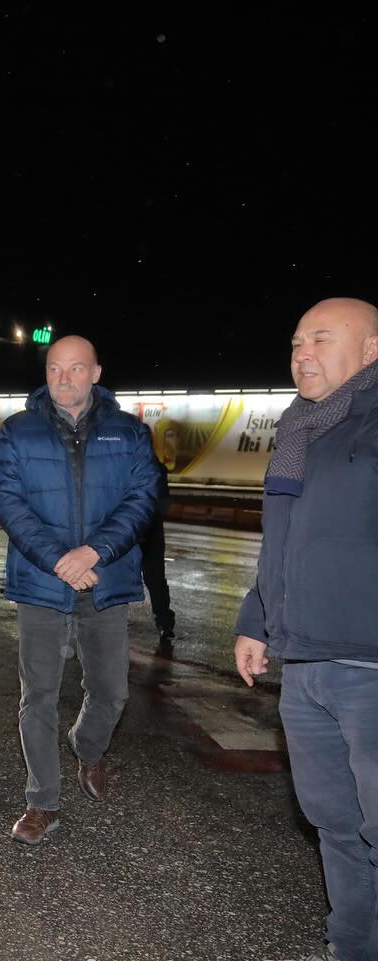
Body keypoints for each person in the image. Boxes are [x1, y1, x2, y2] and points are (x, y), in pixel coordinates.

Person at [235, 298, 378, 961]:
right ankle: (349, 942)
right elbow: (281, 543)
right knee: (335, 824)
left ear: (371, 349)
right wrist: (255, 620)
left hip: (370, 666)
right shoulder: (299, 429)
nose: (301, 352)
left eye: (320, 338)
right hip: (306, 664)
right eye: (295, 341)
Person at [0, 335, 159, 846]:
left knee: (111, 690)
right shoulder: (17, 431)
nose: (64, 379)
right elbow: (8, 499)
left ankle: (88, 745)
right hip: (42, 582)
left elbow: (143, 497)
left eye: (76, 369)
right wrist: (60, 559)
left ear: (96, 373)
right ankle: (43, 802)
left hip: (104, 579)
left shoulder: (129, 433)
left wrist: (94, 553)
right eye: (55, 368)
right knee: (37, 695)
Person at [139, 431, 177, 656]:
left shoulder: (126, 466)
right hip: (152, 532)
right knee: (155, 579)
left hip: (133, 533)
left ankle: (107, 620)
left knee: (117, 577)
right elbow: (164, 505)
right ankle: (164, 621)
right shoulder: (157, 467)